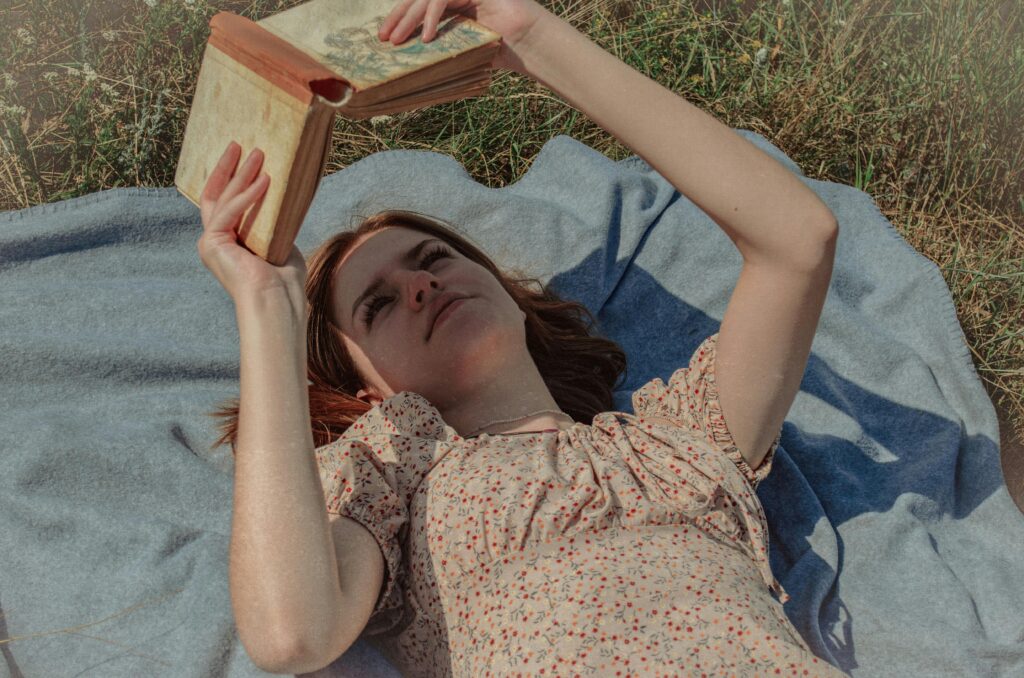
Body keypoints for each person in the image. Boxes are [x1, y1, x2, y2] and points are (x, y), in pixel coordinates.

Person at [196, 0, 846, 676]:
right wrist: (269, 302)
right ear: (370, 392)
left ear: (510, 297)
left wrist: (526, 35)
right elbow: (290, 634)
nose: (420, 286)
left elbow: (798, 240)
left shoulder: (678, 440)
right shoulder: (401, 478)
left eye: (433, 259)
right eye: (378, 305)